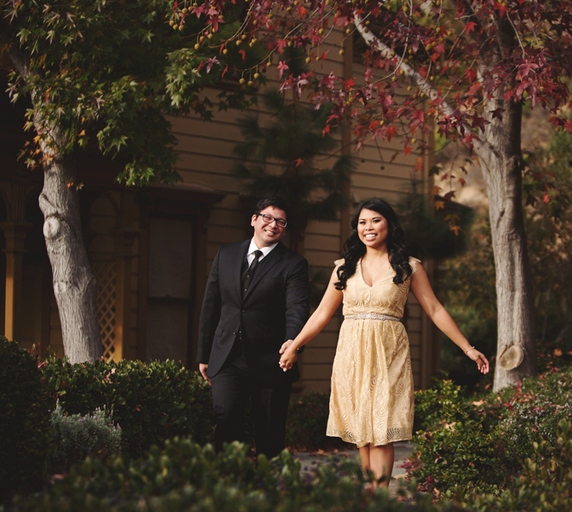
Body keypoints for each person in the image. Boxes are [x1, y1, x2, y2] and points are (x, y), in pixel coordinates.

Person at [278, 198, 489, 488]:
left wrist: (468, 348)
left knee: (380, 431)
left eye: (375, 220)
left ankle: (378, 498)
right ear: (357, 229)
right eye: (363, 222)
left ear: (388, 224)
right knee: (361, 435)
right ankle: (371, 496)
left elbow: (435, 309)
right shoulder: (343, 267)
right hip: (352, 355)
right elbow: (322, 314)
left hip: (389, 355)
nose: (369, 227)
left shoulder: (408, 267)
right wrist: (294, 346)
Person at [198, 196, 309, 458]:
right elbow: (210, 305)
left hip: (272, 359)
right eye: (267, 218)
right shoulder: (226, 254)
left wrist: (292, 340)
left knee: (270, 433)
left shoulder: (293, 264)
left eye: (280, 221)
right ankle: (229, 489)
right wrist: (204, 355)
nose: (273, 225)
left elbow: (297, 308)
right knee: (225, 422)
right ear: (254, 220)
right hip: (227, 357)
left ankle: (267, 492)